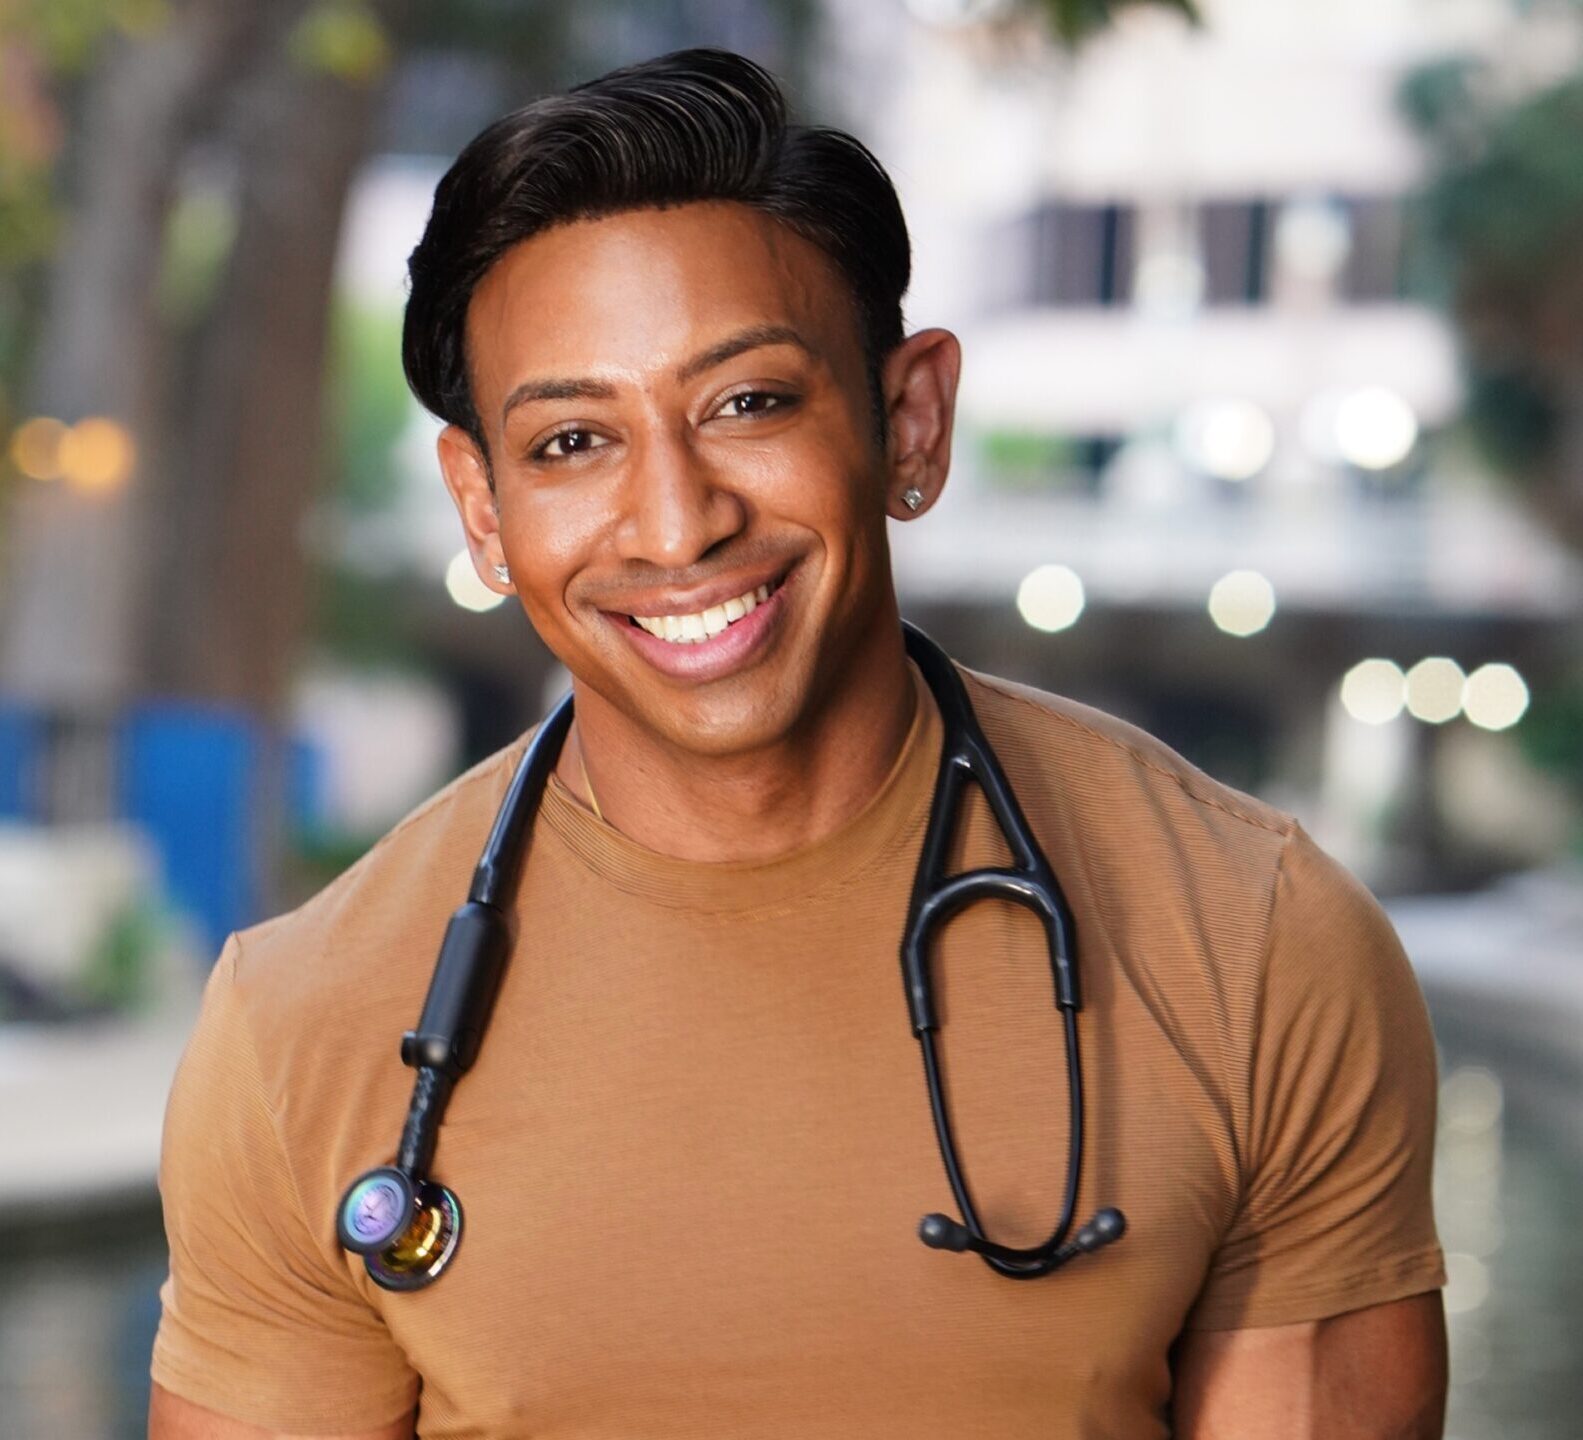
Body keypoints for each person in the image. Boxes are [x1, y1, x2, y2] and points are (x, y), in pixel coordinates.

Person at [148, 47, 1448, 1440]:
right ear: (482, 506)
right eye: (574, 441)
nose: (675, 522)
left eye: (748, 403)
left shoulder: (1257, 944)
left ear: (909, 422)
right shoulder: (304, 1029)